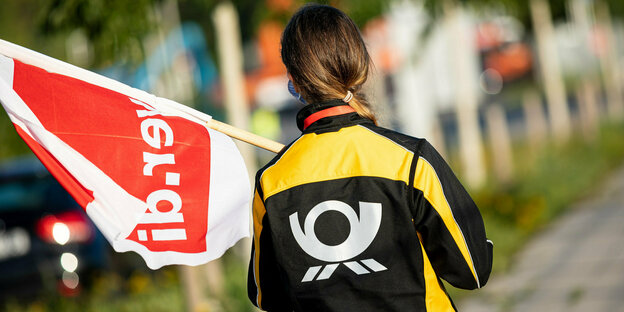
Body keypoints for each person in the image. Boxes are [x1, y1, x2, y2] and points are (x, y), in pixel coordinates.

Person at [247, 4, 493, 311]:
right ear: (360, 65)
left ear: (293, 80)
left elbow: (265, 295)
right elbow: (472, 270)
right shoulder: (410, 160)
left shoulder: (272, 181)